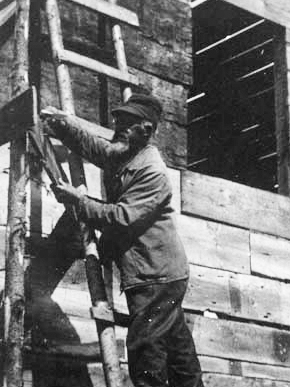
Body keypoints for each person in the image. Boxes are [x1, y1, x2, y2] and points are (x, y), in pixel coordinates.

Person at [41, 93, 204, 387]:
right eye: (118, 122)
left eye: (126, 124)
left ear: (145, 130)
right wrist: (62, 126)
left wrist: (79, 202)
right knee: (179, 354)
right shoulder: (126, 153)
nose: (118, 129)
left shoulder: (153, 173)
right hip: (155, 274)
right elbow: (96, 148)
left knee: (145, 352)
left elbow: (122, 217)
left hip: (156, 277)